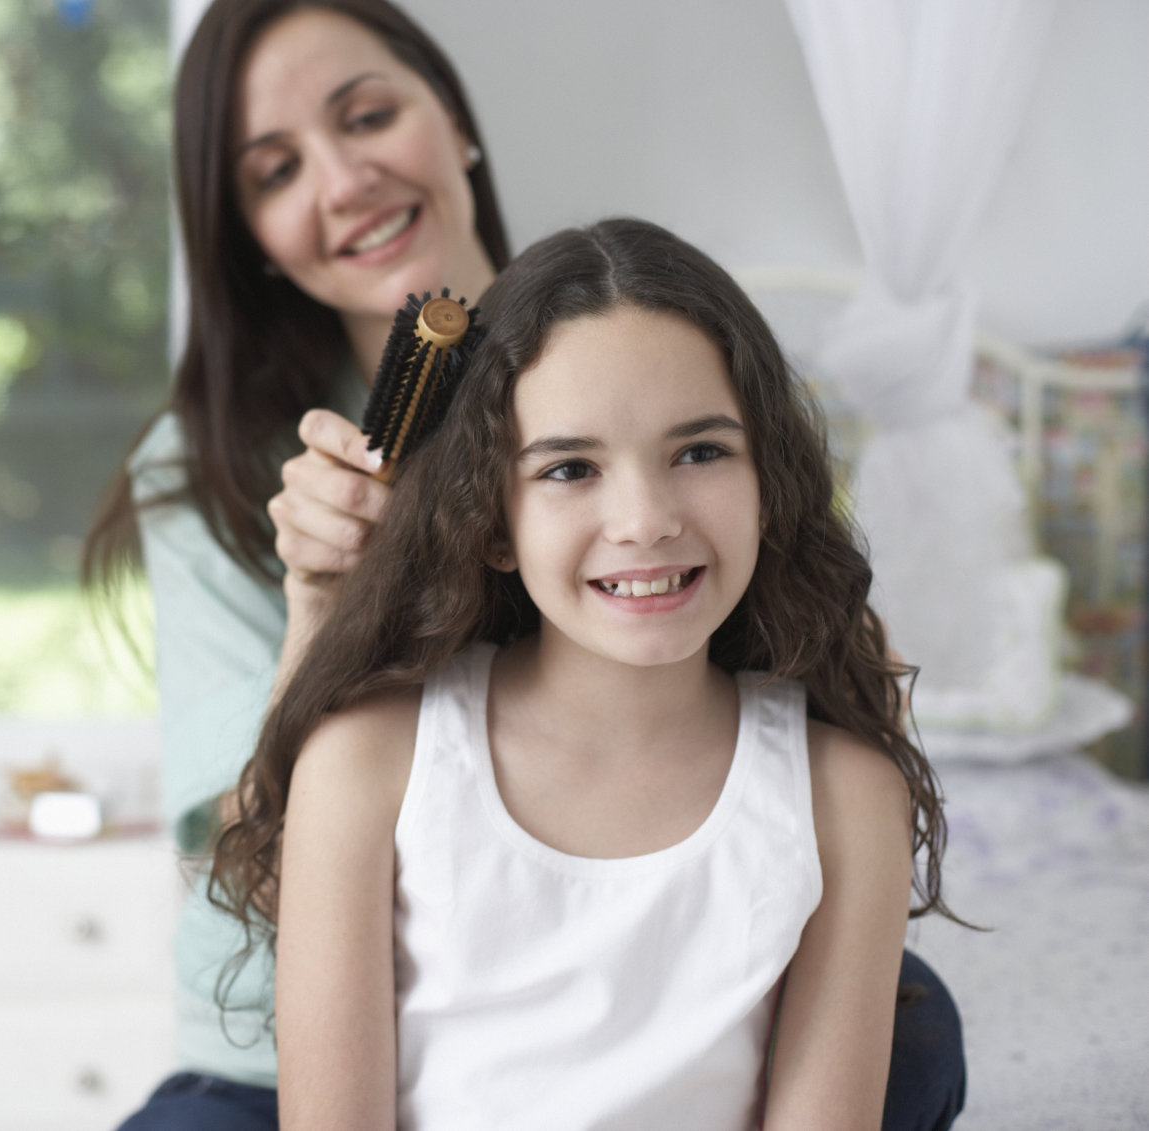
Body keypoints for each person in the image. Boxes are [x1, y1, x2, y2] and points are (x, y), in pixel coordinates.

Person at [82, 2, 964, 1127]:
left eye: (369, 115)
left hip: (665, 955)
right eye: (276, 171)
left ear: (454, 120)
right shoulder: (205, 475)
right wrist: (318, 610)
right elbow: (266, 875)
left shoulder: (629, 326)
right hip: (278, 1046)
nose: (345, 179)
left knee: (915, 1028)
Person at [211, 218, 961, 1129]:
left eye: (700, 452)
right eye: (570, 467)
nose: (644, 519)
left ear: (773, 486)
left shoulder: (842, 796)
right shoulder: (369, 764)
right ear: (489, 521)